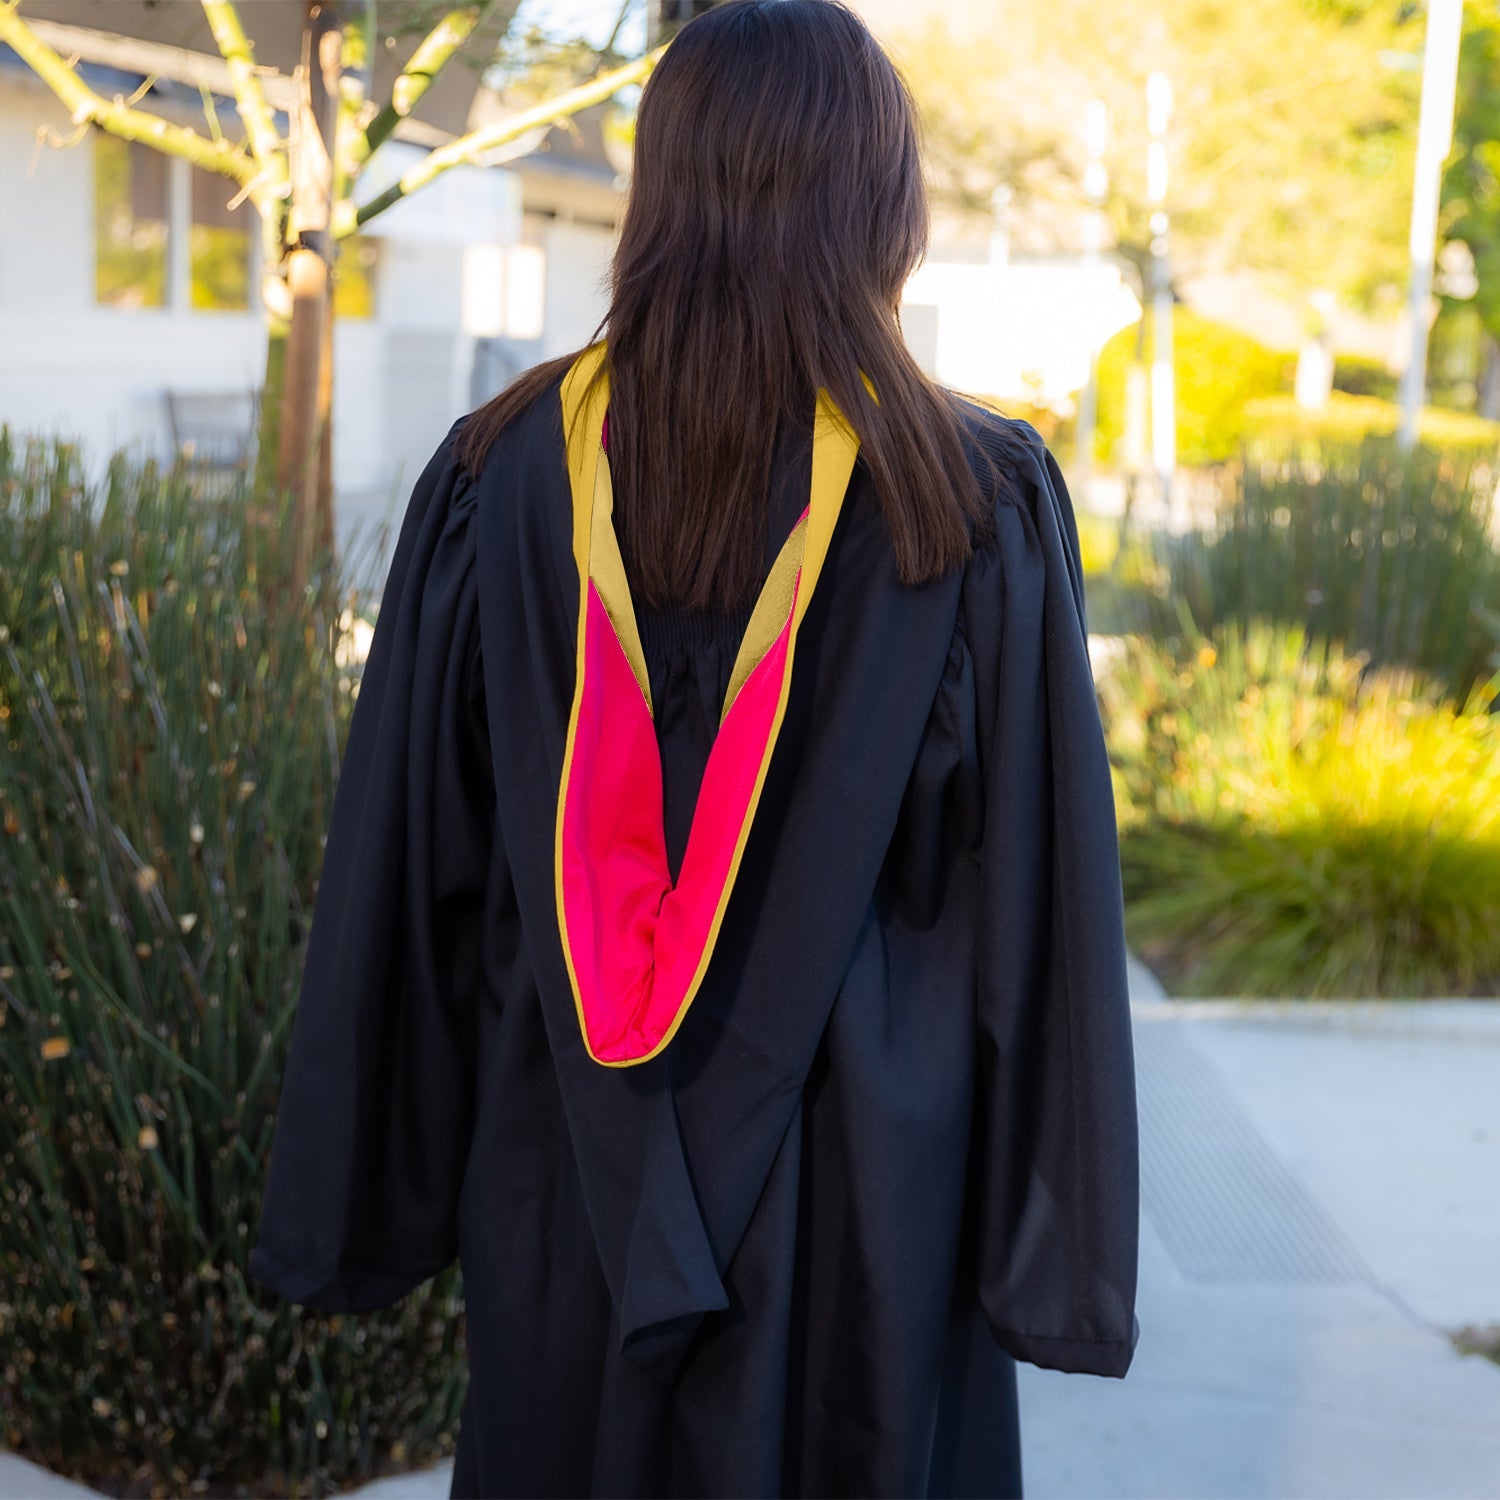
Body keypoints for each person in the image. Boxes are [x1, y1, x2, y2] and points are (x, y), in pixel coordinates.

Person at [247, 2, 1141, 1496]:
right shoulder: (969, 504)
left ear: (657, 191)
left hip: (569, 1195)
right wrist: (1049, 1245)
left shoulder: (500, 478)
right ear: (885, 204)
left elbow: (412, 876)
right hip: (877, 1217)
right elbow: (1040, 909)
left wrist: (362, 1199)